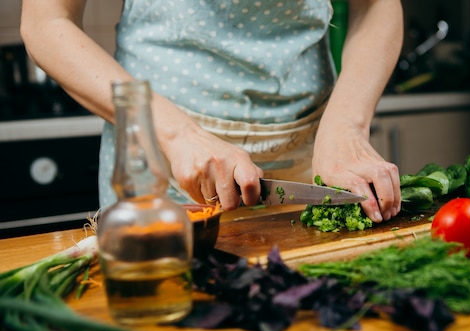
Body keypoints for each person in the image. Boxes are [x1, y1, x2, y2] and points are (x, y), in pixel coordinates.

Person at [20, 0, 403, 223]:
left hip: (314, 152)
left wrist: (346, 128)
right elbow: (48, 23)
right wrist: (175, 135)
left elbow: (377, 6)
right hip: (161, 151)